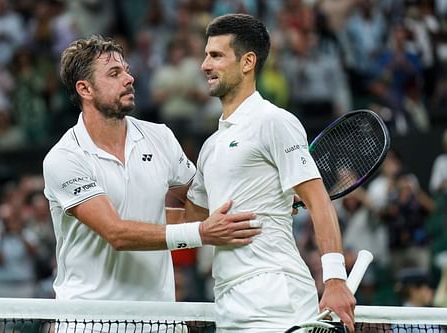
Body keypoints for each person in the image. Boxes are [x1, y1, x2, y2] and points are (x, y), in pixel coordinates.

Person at [42, 35, 261, 303]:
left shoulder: (160, 137)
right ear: (85, 89)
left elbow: (205, 200)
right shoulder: (65, 158)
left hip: (157, 316)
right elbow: (116, 233)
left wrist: (264, 192)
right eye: (114, 73)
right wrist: (201, 232)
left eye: (127, 70)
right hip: (90, 318)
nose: (129, 78)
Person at [182, 14, 356, 332]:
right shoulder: (210, 146)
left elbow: (318, 201)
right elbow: (190, 224)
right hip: (228, 302)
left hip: (276, 296)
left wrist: (334, 279)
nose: (205, 65)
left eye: (216, 55)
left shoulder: (274, 121)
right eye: (206, 55)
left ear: (248, 62)